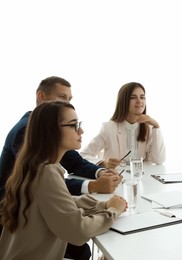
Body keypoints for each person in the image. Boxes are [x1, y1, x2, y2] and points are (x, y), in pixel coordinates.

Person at [0, 76, 122, 259]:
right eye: (74, 126)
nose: (81, 131)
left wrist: (102, 205)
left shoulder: (36, 163)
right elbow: (77, 231)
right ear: (51, 131)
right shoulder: (46, 172)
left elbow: (62, 199)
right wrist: (113, 211)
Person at [81, 82, 166, 168]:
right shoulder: (108, 128)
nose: (139, 101)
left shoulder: (149, 129)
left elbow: (159, 160)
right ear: (123, 101)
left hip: (143, 178)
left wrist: (156, 126)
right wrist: (103, 163)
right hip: (116, 177)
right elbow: (83, 155)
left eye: (142, 97)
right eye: (133, 97)